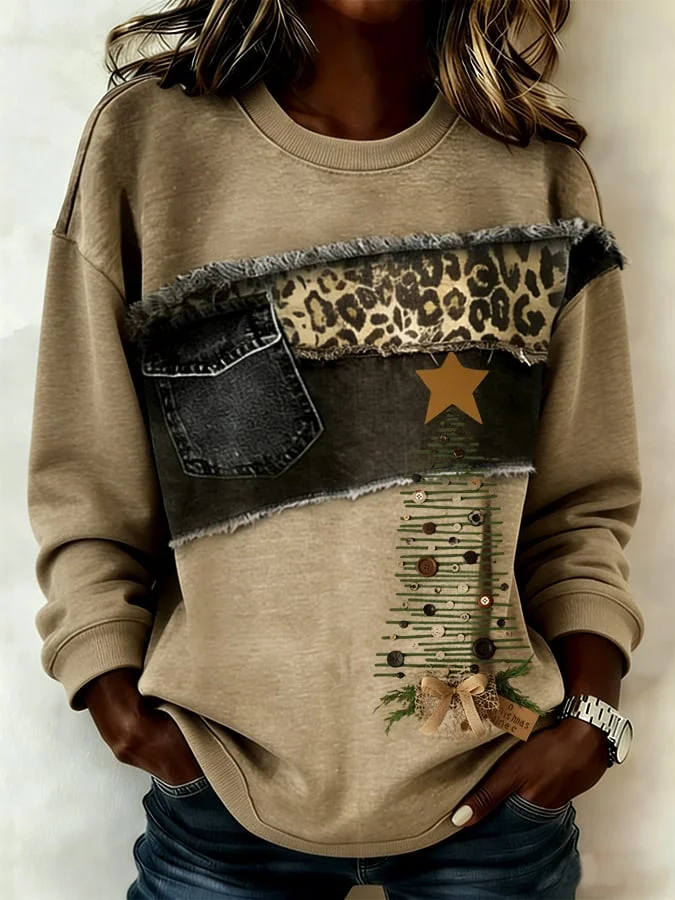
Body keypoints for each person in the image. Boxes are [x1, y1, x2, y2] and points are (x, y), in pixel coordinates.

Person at [27, 1, 645, 898]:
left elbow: (580, 507)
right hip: (222, 790)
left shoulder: (535, 172)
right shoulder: (150, 145)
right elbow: (85, 480)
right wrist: (114, 698)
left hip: (493, 787)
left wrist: (590, 722)